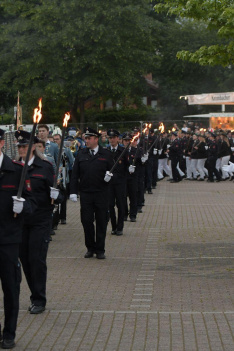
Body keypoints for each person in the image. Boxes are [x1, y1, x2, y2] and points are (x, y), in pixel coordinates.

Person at [15, 130, 58, 315]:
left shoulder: (45, 167)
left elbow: (58, 193)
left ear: (33, 147)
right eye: (20, 146)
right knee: (25, 259)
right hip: (21, 221)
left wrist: (57, 196)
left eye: (25, 146)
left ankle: (39, 298)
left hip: (41, 220)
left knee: (36, 259)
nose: (22, 149)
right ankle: (34, 294)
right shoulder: (14, 167)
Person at [0, 128, 35, 349]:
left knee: (11, 287)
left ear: (1, 143)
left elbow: (33, 204)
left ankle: (9, 333)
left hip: (8, 239)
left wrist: (23, 207)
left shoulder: (17, 171)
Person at [70, 127, 114, 259]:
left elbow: (114, 172)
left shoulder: (106, 154)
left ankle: (100, 249)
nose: (86, 140)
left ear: (96, 139)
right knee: (86, 221)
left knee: (101, 221)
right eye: (86, 138)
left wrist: (110, 176)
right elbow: (75, 175)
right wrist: (73, 191)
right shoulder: (81, 154)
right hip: (86, 193)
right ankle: (90, 247)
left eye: (89, 138)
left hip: (101, 193)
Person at [106, 129, 129, 236]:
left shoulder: (123, 150)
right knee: (110, 205)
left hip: (120, 182)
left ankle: (120, 227)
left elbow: (127, 165)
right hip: (109, 183)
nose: (112, 140)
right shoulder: (106, 151)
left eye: (113, 137)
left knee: (120, 204)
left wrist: (131, 168)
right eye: (110, 138)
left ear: (117, 138)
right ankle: (114, 226)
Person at [53, 134, 74, 225]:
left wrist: (65, 168)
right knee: (56, 198)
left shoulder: (66, 149)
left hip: (64, 177)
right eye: (54, 140)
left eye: (57, 139)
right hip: (55, 176)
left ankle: (63, 217)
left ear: (61, 140)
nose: (55, 141)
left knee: (64, 198)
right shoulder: (52, 149)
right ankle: (56, 218)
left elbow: (72, 161)